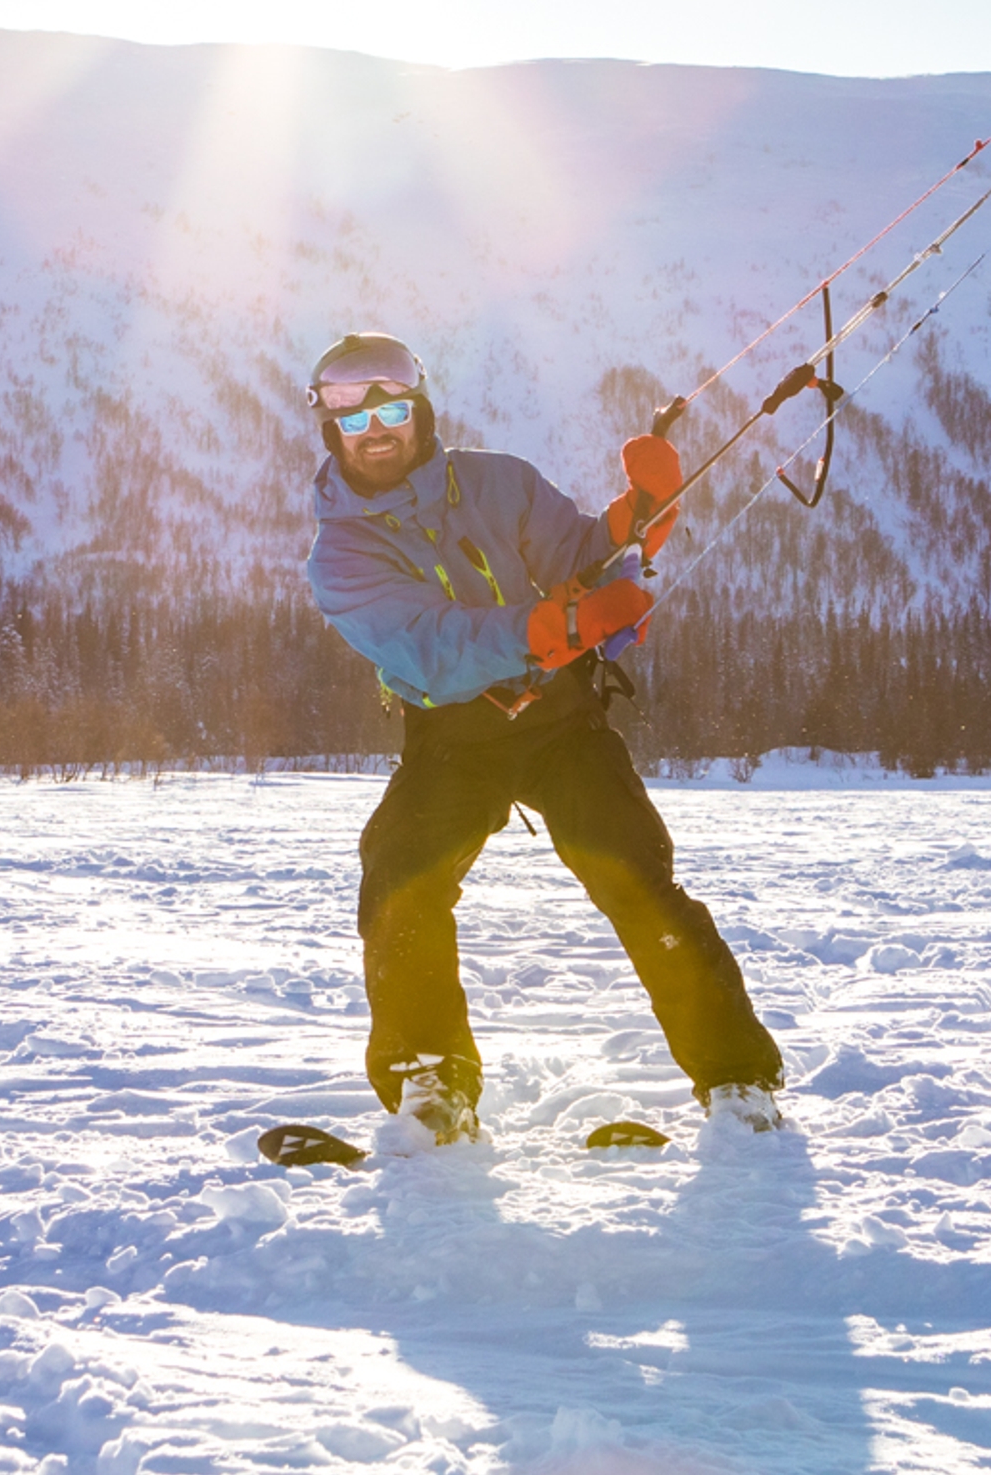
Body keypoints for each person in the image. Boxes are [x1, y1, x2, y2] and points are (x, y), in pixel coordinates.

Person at [300, 331, 786, 1149]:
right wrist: (552, 624)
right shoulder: (339, 556)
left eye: (389, 407)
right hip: (453, 734)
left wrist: (638, 516)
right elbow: (430, 646)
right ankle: (433, 1084)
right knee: (398, 881)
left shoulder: (499, 481)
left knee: (634, 876)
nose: (374, 427)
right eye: (352, 413)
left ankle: (738, 1081)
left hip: (562, 721)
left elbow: (587, 556)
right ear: (328, 424)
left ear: (419, 409)